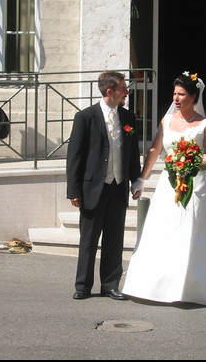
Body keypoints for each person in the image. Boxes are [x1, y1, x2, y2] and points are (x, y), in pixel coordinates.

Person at [122, 72, 206, 306]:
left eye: (182, 94)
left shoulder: (205, 126)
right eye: (174, 94)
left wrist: (191, 165)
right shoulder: (166, 121)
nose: (176, 98)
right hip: (168, 183)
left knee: (189, 232)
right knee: (162, 230)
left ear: (193, 96)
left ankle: (189, 287)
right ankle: (153, 285)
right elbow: (156, 151)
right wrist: (141, 179)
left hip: (193, 184)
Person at [66, 71, 144, 301]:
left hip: (117, 186)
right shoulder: (85, 117)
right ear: (110, 91)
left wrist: (135, 179)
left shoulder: (129, 118)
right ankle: (83, 285)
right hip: (93, 188)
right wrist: (74, 190)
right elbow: (75, 157)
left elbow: (131, 154)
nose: (127, 92)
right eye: (123, 88)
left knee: (114, 238)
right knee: (89, 240)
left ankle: (110, 284)